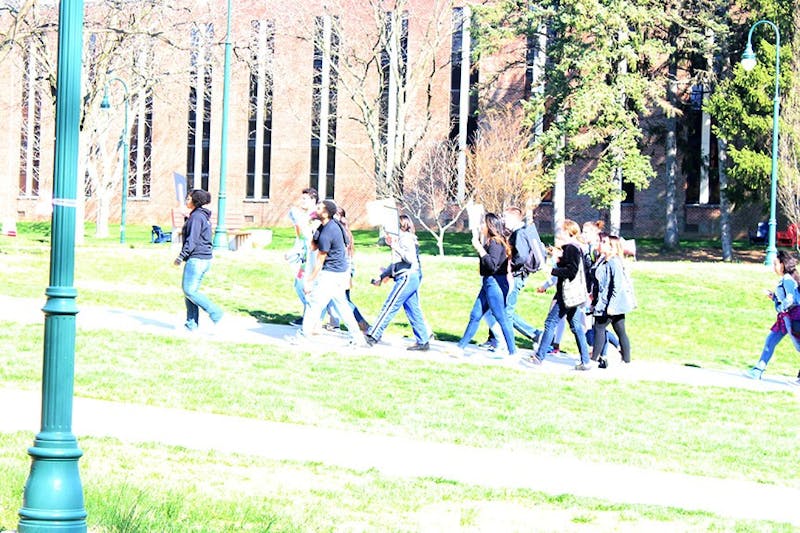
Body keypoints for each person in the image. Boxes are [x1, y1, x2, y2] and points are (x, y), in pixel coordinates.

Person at [287, 200, 369, 347]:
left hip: (331, 274)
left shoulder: (329, 232)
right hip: (338, 274)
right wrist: (310, 228)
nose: (315, 209)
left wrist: (309, 280)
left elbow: (319, 260)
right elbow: (312, 247)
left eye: (318, 208)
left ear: (325, 213)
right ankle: (358, 339)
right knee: (342, 306)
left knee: (313, 303)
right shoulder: (325, 226)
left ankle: (303, 336)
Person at [527, 220, 591, 369]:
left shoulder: (571, 248)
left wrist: (553, 270)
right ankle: (586, 361)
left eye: (562, 230)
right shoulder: (574, 248)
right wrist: (558, 258)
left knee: (550, 323)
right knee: (576, 326)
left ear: (569, 232)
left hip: (567, 295)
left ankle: (539, 357)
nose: (559, 233)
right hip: (574, 296)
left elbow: (571, 271)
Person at [480, 206, 543, 353]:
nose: (503, 221)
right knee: (502, 310)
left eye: (505, 218)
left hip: (516, 276)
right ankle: (499, 340)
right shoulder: (524, 231)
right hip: (519, 275)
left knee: (505, 312)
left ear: (513, 218)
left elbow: (521, 256)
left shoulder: (519, 234)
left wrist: (508, 265)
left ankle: (530, 337)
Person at [453, 213, 517, 357]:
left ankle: (513, 352)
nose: (481, 226)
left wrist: (479, 249)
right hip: (489, 283)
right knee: (475, 314)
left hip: (495, 283)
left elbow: (492, 265)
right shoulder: (492, 241)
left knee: (501, 317)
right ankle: (460, 347)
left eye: (483, 223)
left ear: (490, 226)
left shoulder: (496, 242)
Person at [366, 215, 431, 350]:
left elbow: (410, 259)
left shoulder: (405, 238)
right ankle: (423, 341)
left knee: (390, 305)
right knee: (413, 309)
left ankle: (373, 335)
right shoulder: (402, 238)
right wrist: (382, 276)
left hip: (407, 277)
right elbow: (396, 263)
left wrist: (395, 246)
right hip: (409, 276)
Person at [173, 189, 223, 331]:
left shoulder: (196, 217)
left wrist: (181, 256)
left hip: (197, 258)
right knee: (190, 291)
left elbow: (192, 240)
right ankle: (191, 325)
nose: (186, 201)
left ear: (195, 201)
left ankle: (216, 313)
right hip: (203, 259)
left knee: (189, 291)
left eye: (188, 199)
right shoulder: (200, 216)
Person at [746, 250, 800, 379]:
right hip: (786, 319)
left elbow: (791, 299)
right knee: (770, 340)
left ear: (782, 264)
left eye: (775, 263)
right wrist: (774, 297)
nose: (773, 267)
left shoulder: (787, 279)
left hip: (793, 318)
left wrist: (781, 307)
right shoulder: (790, 278)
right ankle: (757, 370)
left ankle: (757, 371)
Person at [590, 234, 635, 367]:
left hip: (610, 304)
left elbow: (617, 286)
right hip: (604, 302)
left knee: (599, 328)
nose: (600, 244)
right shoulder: (604, 261)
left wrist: (612, 306)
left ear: (612, 247)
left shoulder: (614, 262)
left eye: (604, 242)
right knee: (620, 330)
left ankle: (593, 360)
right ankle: (626, 361)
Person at [285, 188, 319, 327]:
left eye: (305, 199)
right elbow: (300, 238)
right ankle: (309, 315)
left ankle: (312, 318)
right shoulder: (304, 216)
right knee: (299, 285)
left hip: (313, 258)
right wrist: (293, 251)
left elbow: (312, 237)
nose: (302, 201)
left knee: (305, 286)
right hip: (304, 257)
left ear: (313, 200)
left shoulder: (316, 217)